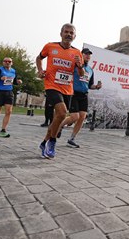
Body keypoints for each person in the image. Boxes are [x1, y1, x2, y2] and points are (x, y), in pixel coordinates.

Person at [36, 23, 84, 159]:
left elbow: (81, 74)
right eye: (66, 32)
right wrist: (40, 70)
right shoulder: (50, 46)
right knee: (62, 113)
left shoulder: (77, 53)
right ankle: (52, 142)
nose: (68, 34)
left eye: (71, 33)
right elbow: (39, 58)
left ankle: (44, 142)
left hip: (67, 89)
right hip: (52, 85)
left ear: (75, 36)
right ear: (61, 33)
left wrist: (80, 66)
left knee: (58, 118)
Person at [58, 47, 102, 148]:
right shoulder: (75, 65)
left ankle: (72, 139)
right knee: (75, 117)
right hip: (74, 93)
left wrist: (96, 87)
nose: (88, 56)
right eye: (86, 54)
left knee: (82, 117)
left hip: (84, 95)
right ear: (81, 55)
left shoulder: (90, 70)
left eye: (89, 54)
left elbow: (90, 85)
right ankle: (60, 126)